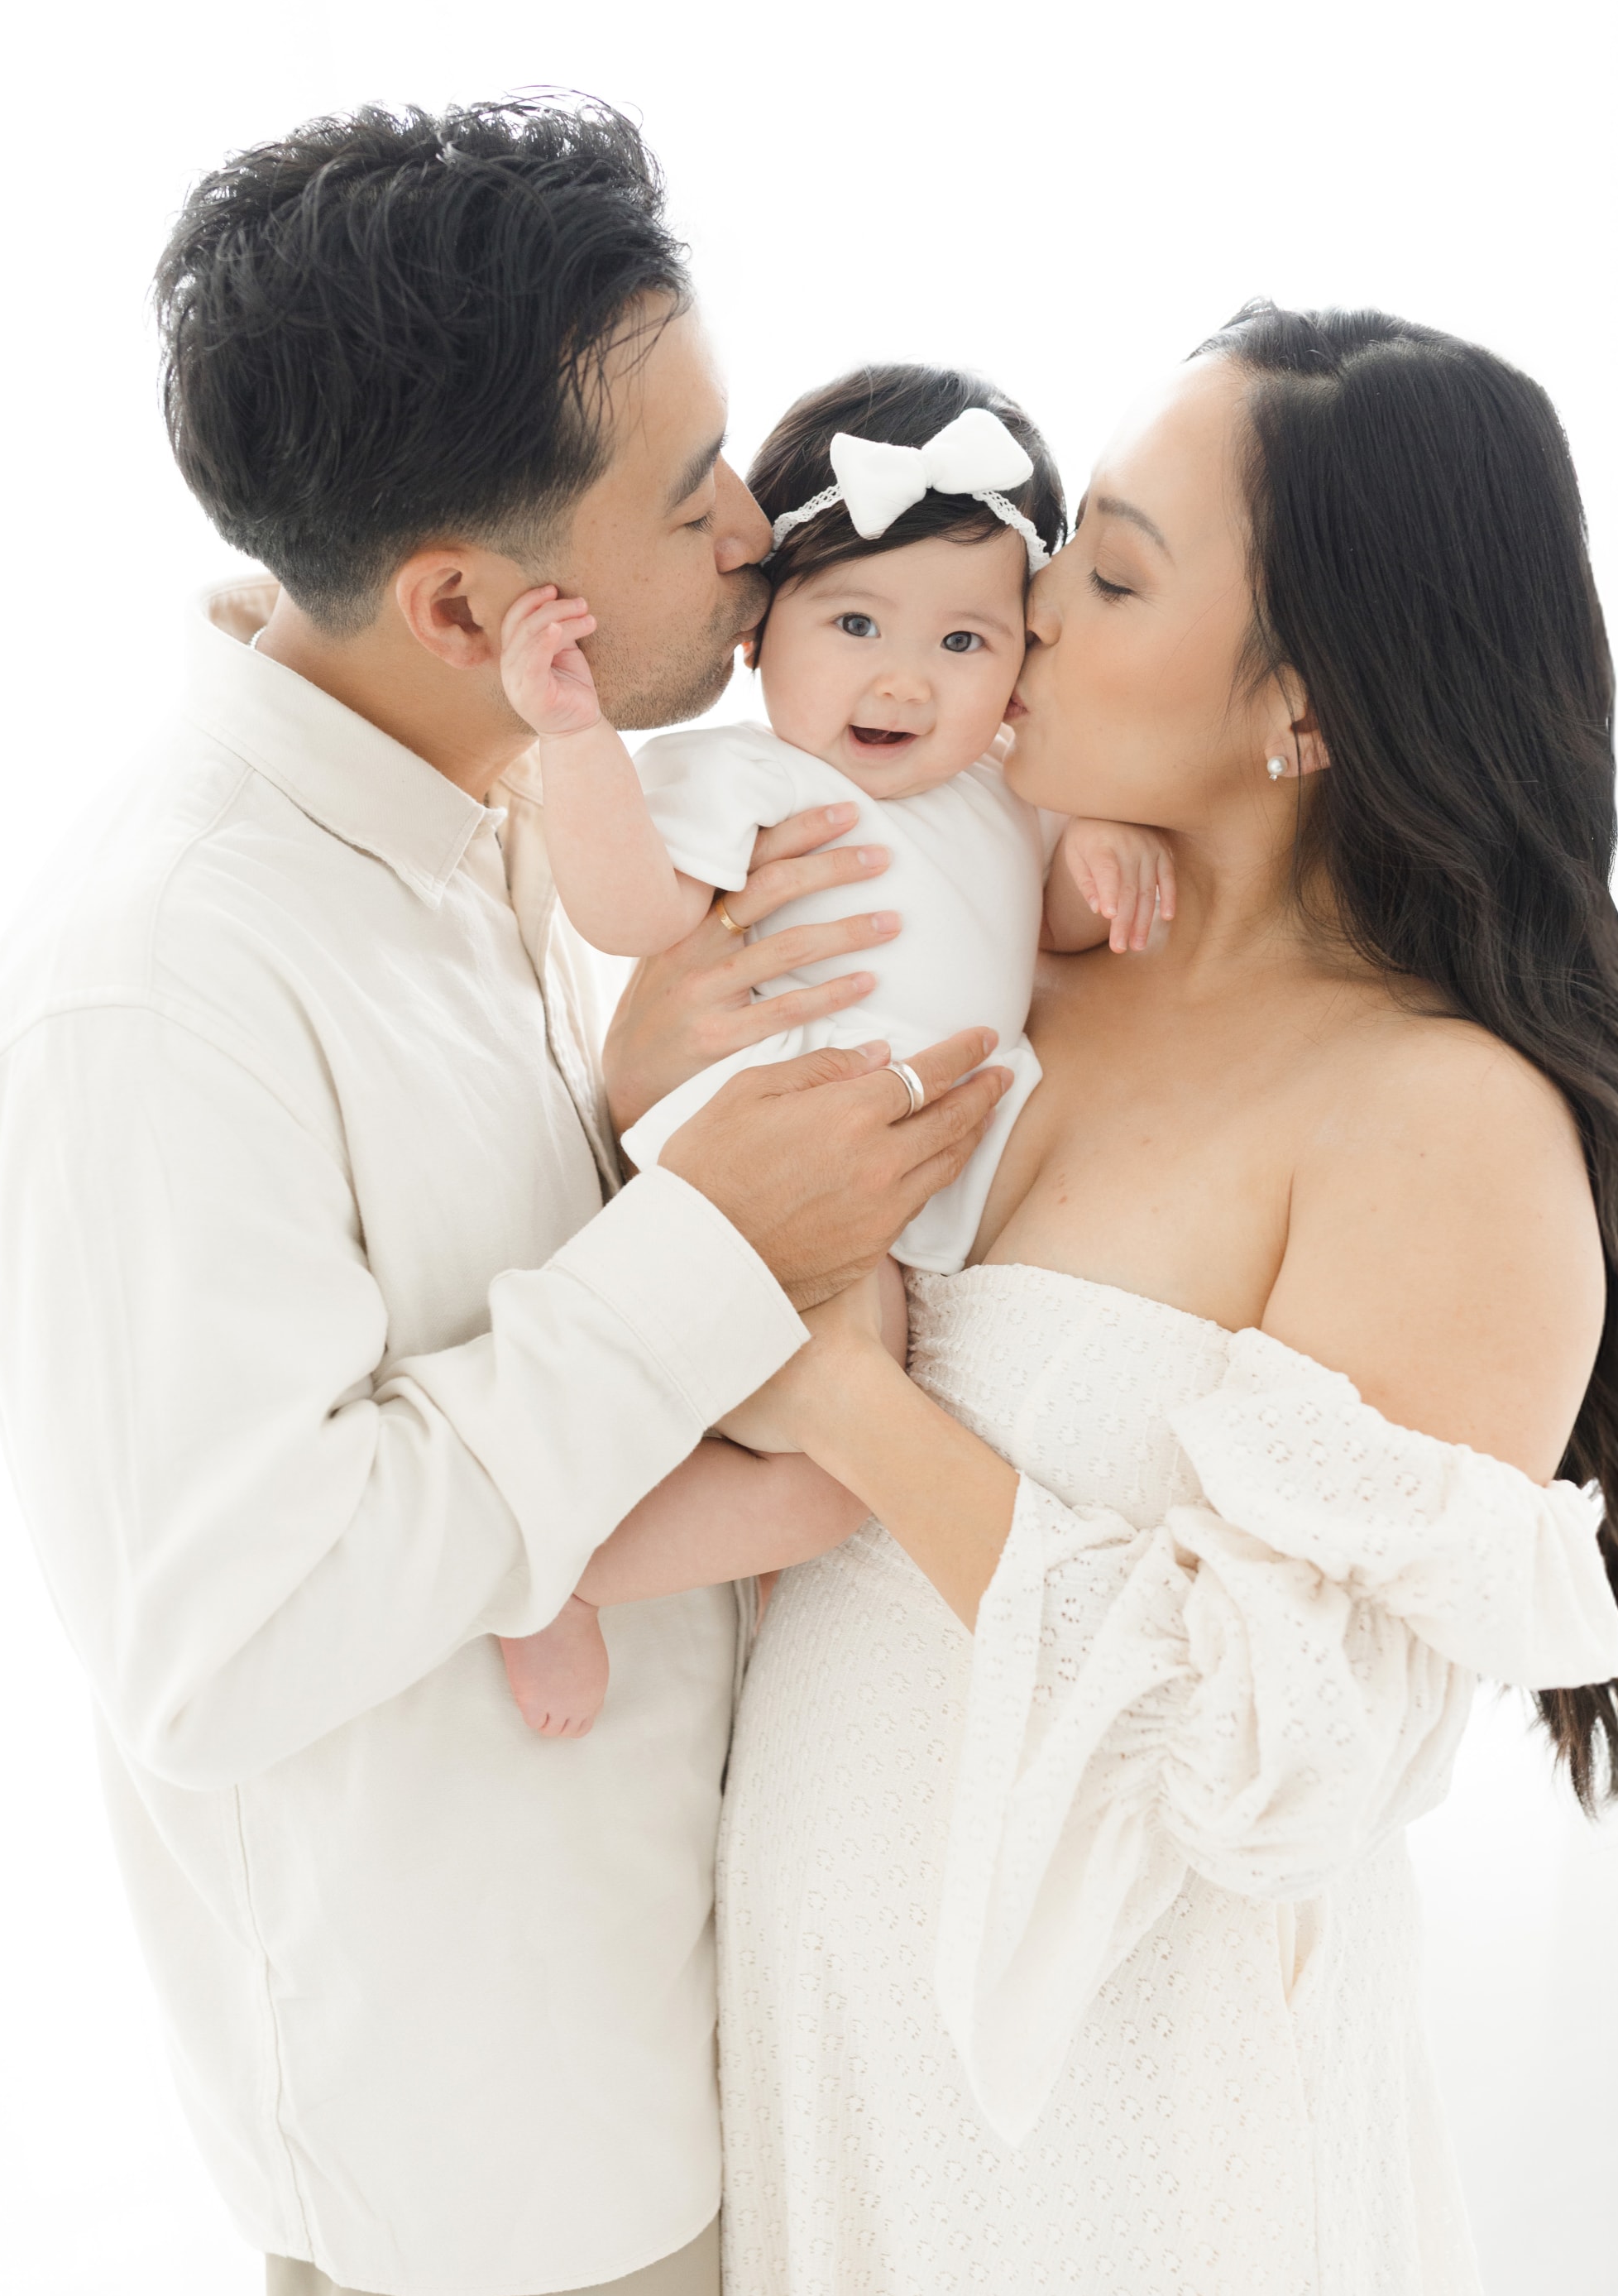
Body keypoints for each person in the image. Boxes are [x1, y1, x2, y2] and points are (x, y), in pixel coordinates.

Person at [0, 96, 1012, 2296]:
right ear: (463, 602)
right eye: (690, 491)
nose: (757, 528)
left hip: (718, 2045)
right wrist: (706, 1245)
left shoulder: (495, 805)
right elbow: (221, 1642)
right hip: (517, 2179)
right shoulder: (155, 992)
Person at [710, 305, 1618, 2296]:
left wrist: (849, 1408)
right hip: (824, 2090)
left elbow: (1273, 1753)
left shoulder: (1438, 1121)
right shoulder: (1000, 943)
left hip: (1127, 2164)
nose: (1029, 603)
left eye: (1116, 572)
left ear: (1303, 711)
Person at [497, 362, 1174, 1738]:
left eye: (966, 645)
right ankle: (551, 1567)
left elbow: (1061, 928)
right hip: (756, 1191)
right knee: (830, 1478)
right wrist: (576, 739)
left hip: (875, 1213)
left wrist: (1109, 834)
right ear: (757, 635)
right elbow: (625, 909)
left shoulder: (1007, 797)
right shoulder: (743, 780)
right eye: (855, 620)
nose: (903, 679)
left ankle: (605, 1558)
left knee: (840, 1473)